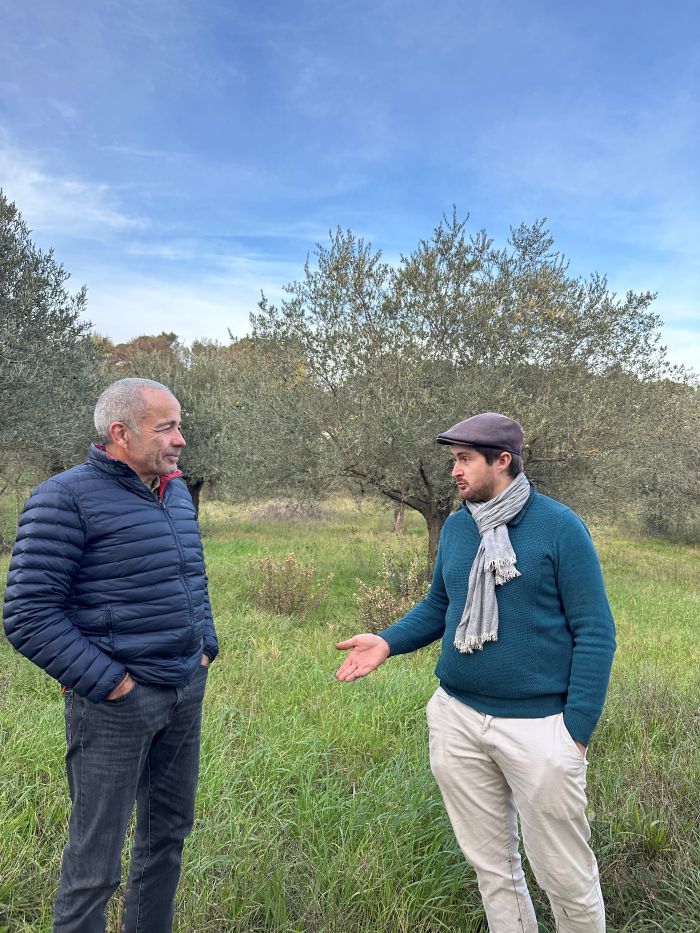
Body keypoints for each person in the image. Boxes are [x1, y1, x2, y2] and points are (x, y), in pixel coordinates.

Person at [336, 412, 616, 933]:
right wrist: (388, 642)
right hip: (457, 719)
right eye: (453, 461)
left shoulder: (559, 528)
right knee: (493, 869)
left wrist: (574, 734)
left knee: (565, 878)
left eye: (464, 460)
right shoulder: (461, 527)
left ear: (502, 461)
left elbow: (596, 632)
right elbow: (441, 605)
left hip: (540, 730)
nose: (454, 472)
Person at [3, 377, 218, 933]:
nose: (181, 440)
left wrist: (204, 648)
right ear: (120, 433)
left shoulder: (172, 493)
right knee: (96, 856)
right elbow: (27, 615)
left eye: (180, 425)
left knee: (167, 834)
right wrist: (111, 683)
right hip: (115, 704)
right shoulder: (64, 497)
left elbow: (190, 579)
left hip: (182, 690)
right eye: (167, 427)